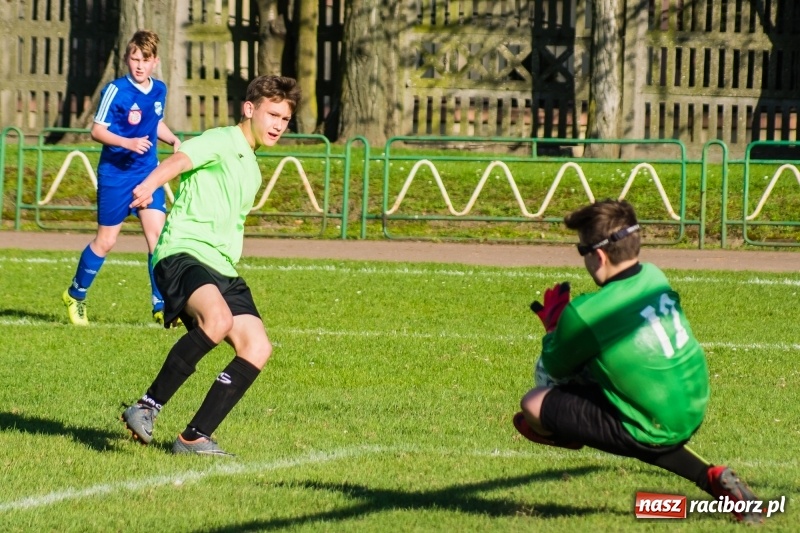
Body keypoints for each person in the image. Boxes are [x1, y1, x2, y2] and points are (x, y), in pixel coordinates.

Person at [513, 199, 763, 524]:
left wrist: (554, 329)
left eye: (582, 250)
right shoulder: (654, 275)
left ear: (599, 255)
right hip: (692, 400)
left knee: (534, 404)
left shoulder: (586, 312)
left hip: (654, 419)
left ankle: (569, 433)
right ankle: (712, 478)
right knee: (622, 399)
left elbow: (555, 368)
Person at [120, 75, 301, 456]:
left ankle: (194, 437)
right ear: (249, 109)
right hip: (184, 252)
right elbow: (180, 160)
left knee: (257, 347)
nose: (278, 125)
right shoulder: (221, 140)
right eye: (272, 115)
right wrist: (150, 184)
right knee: (216, 321)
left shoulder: (253, 167)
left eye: (284, 119)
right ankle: (146, 407)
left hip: (222, 267)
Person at [62, 30, 181, 327]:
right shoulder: (115, 90)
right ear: (127, 58)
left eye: (145, 60)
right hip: (116, 175)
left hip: (147, 173)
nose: (139, 65)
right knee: (106, 241)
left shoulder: (159, 90)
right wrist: (128, 143)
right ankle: (75, 295)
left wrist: (173, 139)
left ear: (155, 62)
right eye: (135, 59)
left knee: (158, 238)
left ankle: (161, 305)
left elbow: (155, 122)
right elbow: (97, 131)